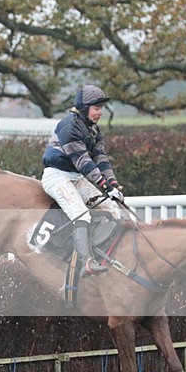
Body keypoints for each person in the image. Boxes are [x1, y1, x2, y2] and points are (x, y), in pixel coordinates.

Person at [41, 84, 123, 277]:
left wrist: (113, 185)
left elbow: (101, 160)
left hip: (76, 178)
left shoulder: (94, 130)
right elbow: (83, 162)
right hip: (57, 177)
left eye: (101, 108)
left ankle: (108, 253)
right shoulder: (69, 127)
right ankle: (87, 262)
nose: (100, 112)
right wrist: (104, 186)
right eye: (97, 108)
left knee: (112, 209)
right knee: (81, 214)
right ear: (84, 108)